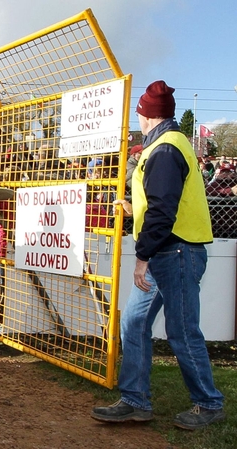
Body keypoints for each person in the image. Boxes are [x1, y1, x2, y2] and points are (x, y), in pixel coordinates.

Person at [91, 80, 225, 430]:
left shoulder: (164, 150)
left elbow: (164, 211)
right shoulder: (170, 144)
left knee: (181, 332)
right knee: (133, 323)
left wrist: (142, 257)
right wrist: (134, 208)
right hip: (171, 250)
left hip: (174, 252)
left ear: (144, 114)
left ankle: (209, 403)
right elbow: (164, 203)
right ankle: (135, 400)